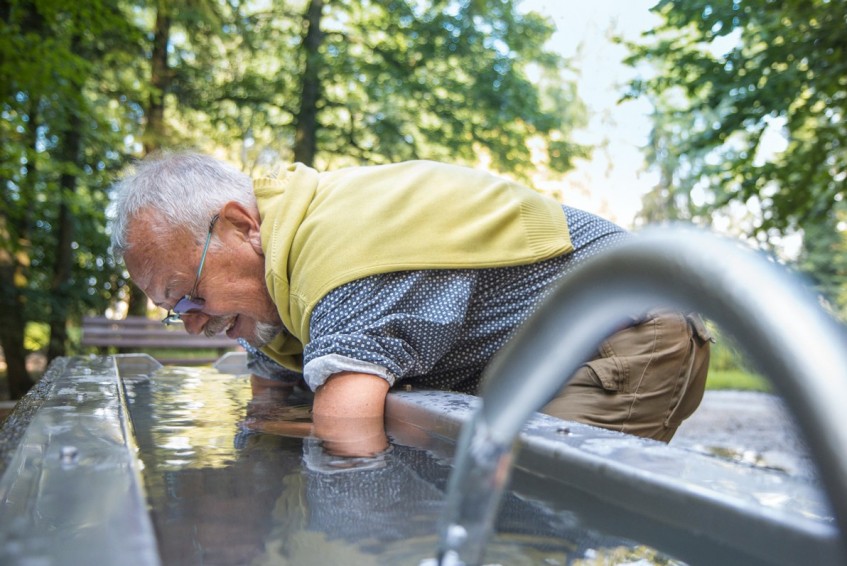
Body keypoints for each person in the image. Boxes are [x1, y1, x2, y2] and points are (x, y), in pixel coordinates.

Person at [111, 151, 711, 452]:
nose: (191, 324)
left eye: (187, 294)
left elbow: (345, 428)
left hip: (626, 329)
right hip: (534, 351)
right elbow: (268, 407)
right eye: (175, 309)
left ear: (241, 225)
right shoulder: (277, 294)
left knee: (520, 507)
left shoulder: (341, 250)